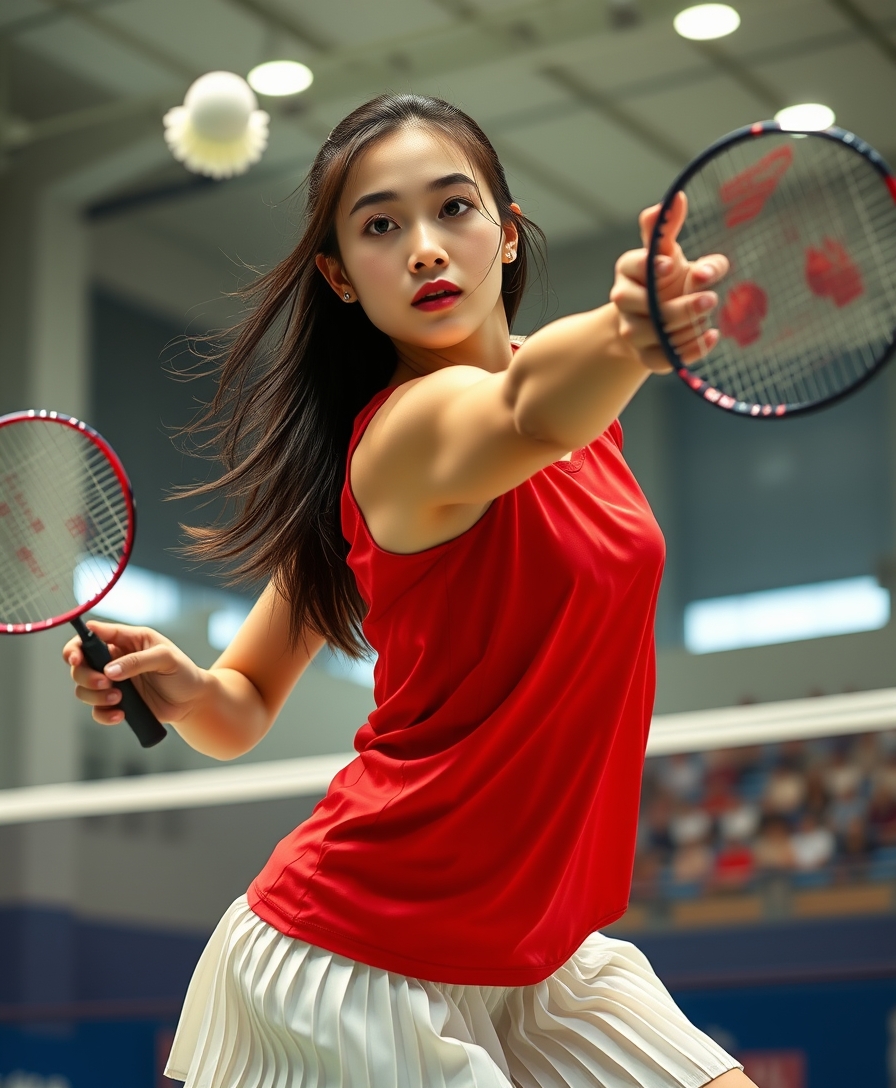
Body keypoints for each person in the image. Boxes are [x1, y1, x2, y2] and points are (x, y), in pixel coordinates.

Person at [64, 95, 754, 1087]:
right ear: (340, 277)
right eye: (381, 226)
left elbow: (241, 706)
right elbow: (520, 413)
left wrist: (186, 684)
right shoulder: (403, 437)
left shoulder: (577, 398)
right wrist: (628, 331)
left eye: (454, 210)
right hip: (357, 956)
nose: (425, 248)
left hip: (534, 953)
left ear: (505, 235)